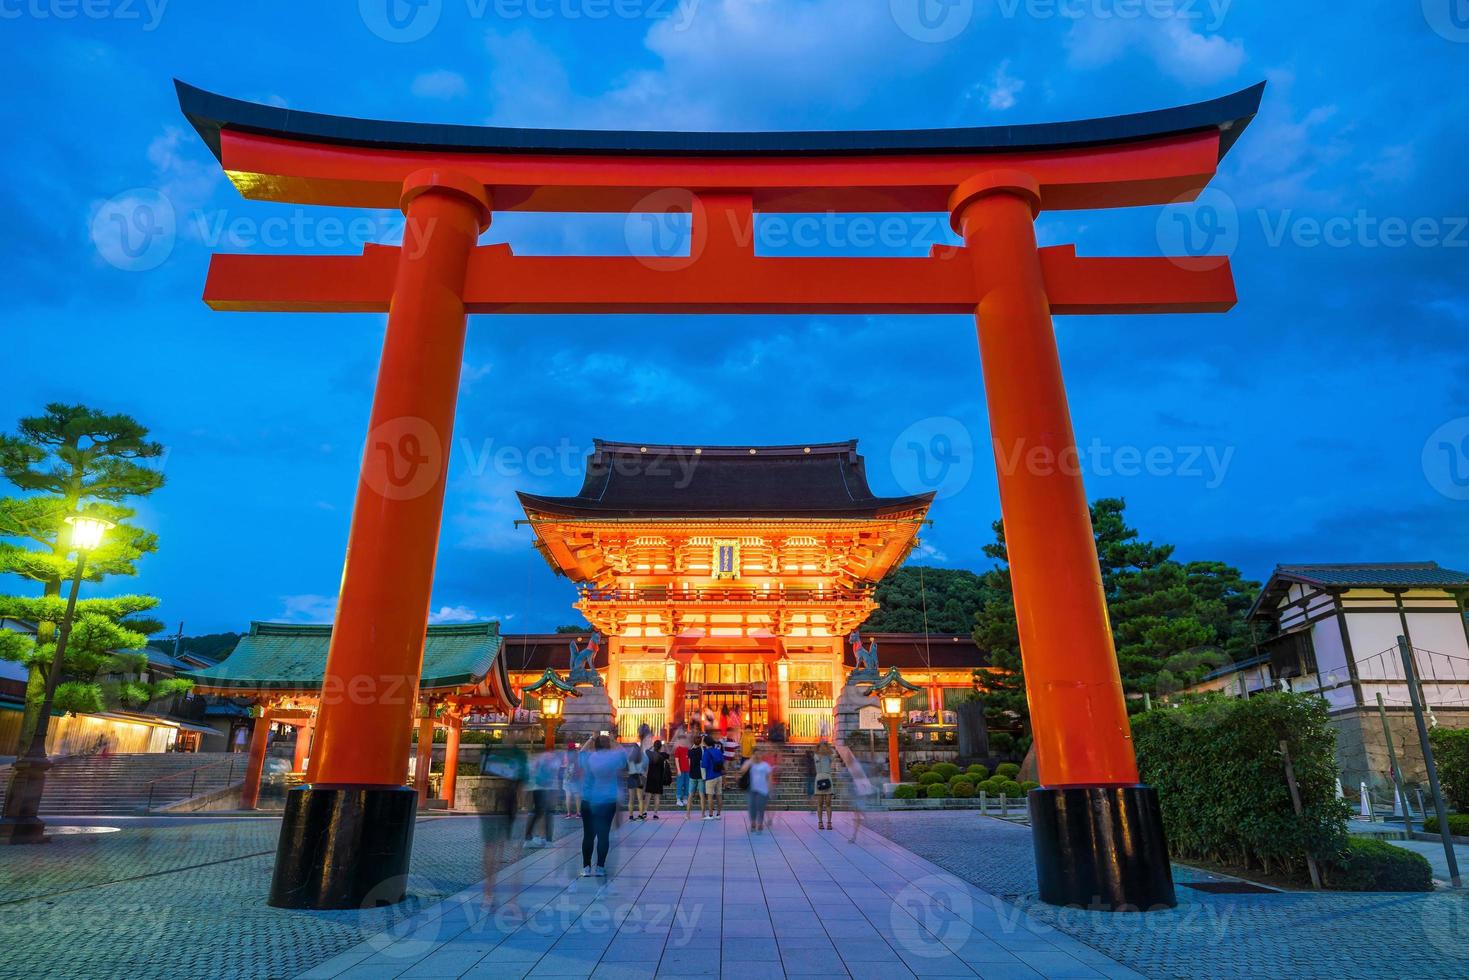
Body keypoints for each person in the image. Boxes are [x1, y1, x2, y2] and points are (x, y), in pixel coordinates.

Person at [478, 743, 528, 906]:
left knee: (490, 846)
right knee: (500, 846)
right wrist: (523, 808)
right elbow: (522, 785)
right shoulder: (518, 755)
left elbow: (482, 779)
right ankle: (494, 892)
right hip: (506, 804)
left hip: (488, 804)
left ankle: (488, 892)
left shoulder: (490, 751)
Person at [580, 734, 624, 877]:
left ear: (595, 746)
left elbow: (580, 753)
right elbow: (623, 753)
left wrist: (591, 739)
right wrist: (613, 740)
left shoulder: (588, 758)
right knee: (603, 835)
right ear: (609, 746)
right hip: (607, 800)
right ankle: (600, 867)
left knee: (588, 834)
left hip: (588, 799)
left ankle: (586, 867)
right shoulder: (613, 758)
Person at [524, 749, 560, 848]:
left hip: (537, 788)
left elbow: (530, 775)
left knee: (536, 813)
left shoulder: (536, 759)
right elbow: (555, 775)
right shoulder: (554, 759)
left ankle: (531, 838)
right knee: (548, 813)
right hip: (549, 788)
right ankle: (547, 840)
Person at [740, 750, 774, 833]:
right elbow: (742, 771)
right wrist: (750, 761)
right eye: (755, 754)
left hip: (763, 789)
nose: (757, 756)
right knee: (752, 806)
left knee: (761, 807)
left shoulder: (765, 765)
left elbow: (769, 777)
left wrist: (770, 789)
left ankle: (760, 823)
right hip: (751, 789)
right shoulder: (749, 764)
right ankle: (753, 822)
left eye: (759, 754)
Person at [643, 739, 671, 819]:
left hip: (650, 777)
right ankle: (655, 814)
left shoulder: (650, 754)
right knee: (657, 796)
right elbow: (669, 754)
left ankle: (645, 812)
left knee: (648, 795)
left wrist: (652, 746)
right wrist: (665, 745)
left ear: (654, 746)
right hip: (659, 778)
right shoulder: (663, 755)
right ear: (660, 747)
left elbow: (646, 750)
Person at [812, 740, 835, 831]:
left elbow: (834, 755)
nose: (823, 747)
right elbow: (817, 757)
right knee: (820, 802)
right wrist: (820, 749)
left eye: (825, 745)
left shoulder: (830, 756)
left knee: (828, 802)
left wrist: (829, 748)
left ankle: (829, 822)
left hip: (828, 777)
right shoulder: (816, 756)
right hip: (819, 778)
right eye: (821, 746)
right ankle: (820, 822)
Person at [701, 734, 725, 820]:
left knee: (710, 796)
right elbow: (722, 760)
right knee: (719, 795)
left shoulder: (707, 752)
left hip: (710, 776)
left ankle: (710, 815)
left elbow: (704, 765)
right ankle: (718, 814)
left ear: (706, 743)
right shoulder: (718, 751)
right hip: (719, 775)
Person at [626, 740, 648, 820]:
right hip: (639, 777)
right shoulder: (643, 757)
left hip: (631, 777)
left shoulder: (629, 758)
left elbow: (626, 768)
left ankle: (631, 816)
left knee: (631, 799)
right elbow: (645, 768)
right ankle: (640, 815)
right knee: (640, 799)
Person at [563, 739, 583, 819]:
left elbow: (564, 764)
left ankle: (568, 813)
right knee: (577, 795)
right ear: (574, 747)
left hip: (567, 776)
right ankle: (578, 813)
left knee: (568, 795)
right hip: (576, 776)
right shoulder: (577, 754)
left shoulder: (565, 754)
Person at [686, 736, 705, 819]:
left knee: (690, 795)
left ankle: (688, 814)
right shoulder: (702, 751)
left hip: (692, 775)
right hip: (700, 775)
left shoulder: (690, 751)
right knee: (702, 795)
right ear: (700, 742)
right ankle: (702, 814)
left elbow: (689, 764)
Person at [673, 733, 691, 807]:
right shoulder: (678, 749)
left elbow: (689, 760)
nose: (683, 741)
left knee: (687, 784)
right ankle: (678, 799)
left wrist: (690, 768)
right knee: (680, 784)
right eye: (682, 739)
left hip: (687, 770)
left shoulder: (687, 749)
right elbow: (676, 760)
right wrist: (678, 770)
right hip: (680, 770)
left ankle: (685, 799)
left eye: (684, 739)